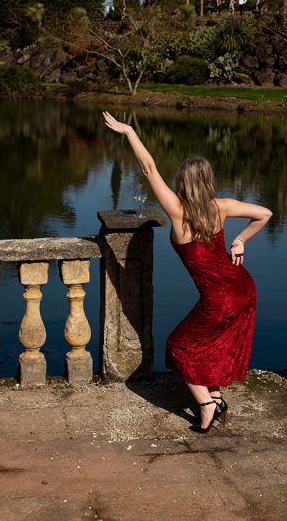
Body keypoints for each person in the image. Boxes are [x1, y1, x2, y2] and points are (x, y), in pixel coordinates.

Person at [102, 112, 272, 432]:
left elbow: (149, 167)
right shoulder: (221, 206)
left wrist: (129, 133)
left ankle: (205, 405)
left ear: (182, 181)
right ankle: (217, 398)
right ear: (208, 181)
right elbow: (265, 213)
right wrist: (240, 240)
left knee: (179, 346)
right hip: (244, 289)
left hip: (220, 298)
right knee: (213, 344)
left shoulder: (177, 210)